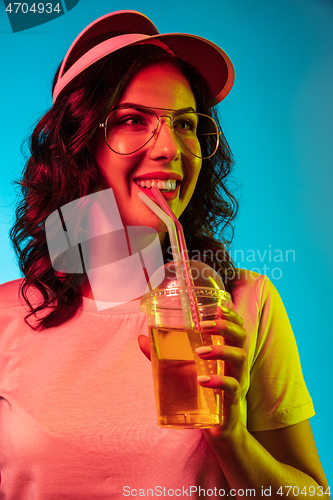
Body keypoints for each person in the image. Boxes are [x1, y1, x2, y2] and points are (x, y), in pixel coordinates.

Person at [0, 10, 328, 499]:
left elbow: (309, 495)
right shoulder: (7, 316)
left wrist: (231, 437)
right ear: (77, 146)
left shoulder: (243, 304)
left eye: (186, 124)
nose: (172, 148)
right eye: (134, 121)